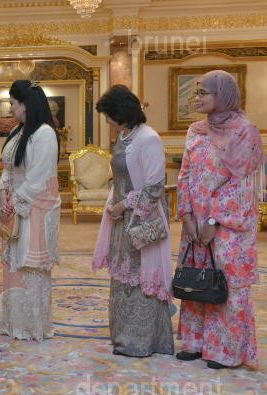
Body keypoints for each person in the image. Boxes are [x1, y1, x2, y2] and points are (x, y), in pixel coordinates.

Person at [176, 70, 263, 369]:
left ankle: (225, 350)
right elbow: (185, 174)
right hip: (195, 223)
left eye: (204, 93)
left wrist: (214, 222)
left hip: (227, 227)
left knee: (225, 282)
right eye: (196, 92)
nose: (196, 98)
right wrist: (187, 215)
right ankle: (195, 342)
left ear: (223, 95)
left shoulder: (244, 132)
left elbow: (242, 187)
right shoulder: (196, 131)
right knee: (197, 278)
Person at [92, 84, 174, 358]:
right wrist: (115, 207)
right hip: (121, 217)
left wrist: (124, 205)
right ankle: (123, 338)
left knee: (140, 278)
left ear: (122, 112)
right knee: (123, 277)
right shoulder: (124, 135)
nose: (107, 121)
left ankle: (141, 342)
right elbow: (120, 180)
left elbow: (154, 188)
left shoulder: (148, 138)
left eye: (108, 115)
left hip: (142, 218)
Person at [0, 80, 61, 342]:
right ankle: (15, 323)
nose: (10, 108)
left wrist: (16, 200)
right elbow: (9, 169)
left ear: (25, 105)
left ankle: (32, 326)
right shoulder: (18, 131)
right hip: (16, 207)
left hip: (34, 211)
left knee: (30, 267)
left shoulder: (44, 134)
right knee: (14, 265)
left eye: (13, 103)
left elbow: (39, 177)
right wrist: (4, 192)